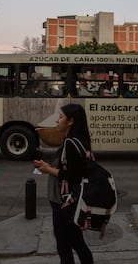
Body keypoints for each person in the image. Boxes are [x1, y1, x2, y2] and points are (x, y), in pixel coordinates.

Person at [34, 104, 94, 264]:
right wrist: (47, 166)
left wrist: (48, 169)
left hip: (65, 203)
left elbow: (73, 175)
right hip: (67, 201)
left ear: (71, 121)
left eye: (60, 117)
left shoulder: (71, 144)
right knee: (74, 242)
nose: (57, 121)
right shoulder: (77, 140)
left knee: (66, 245)